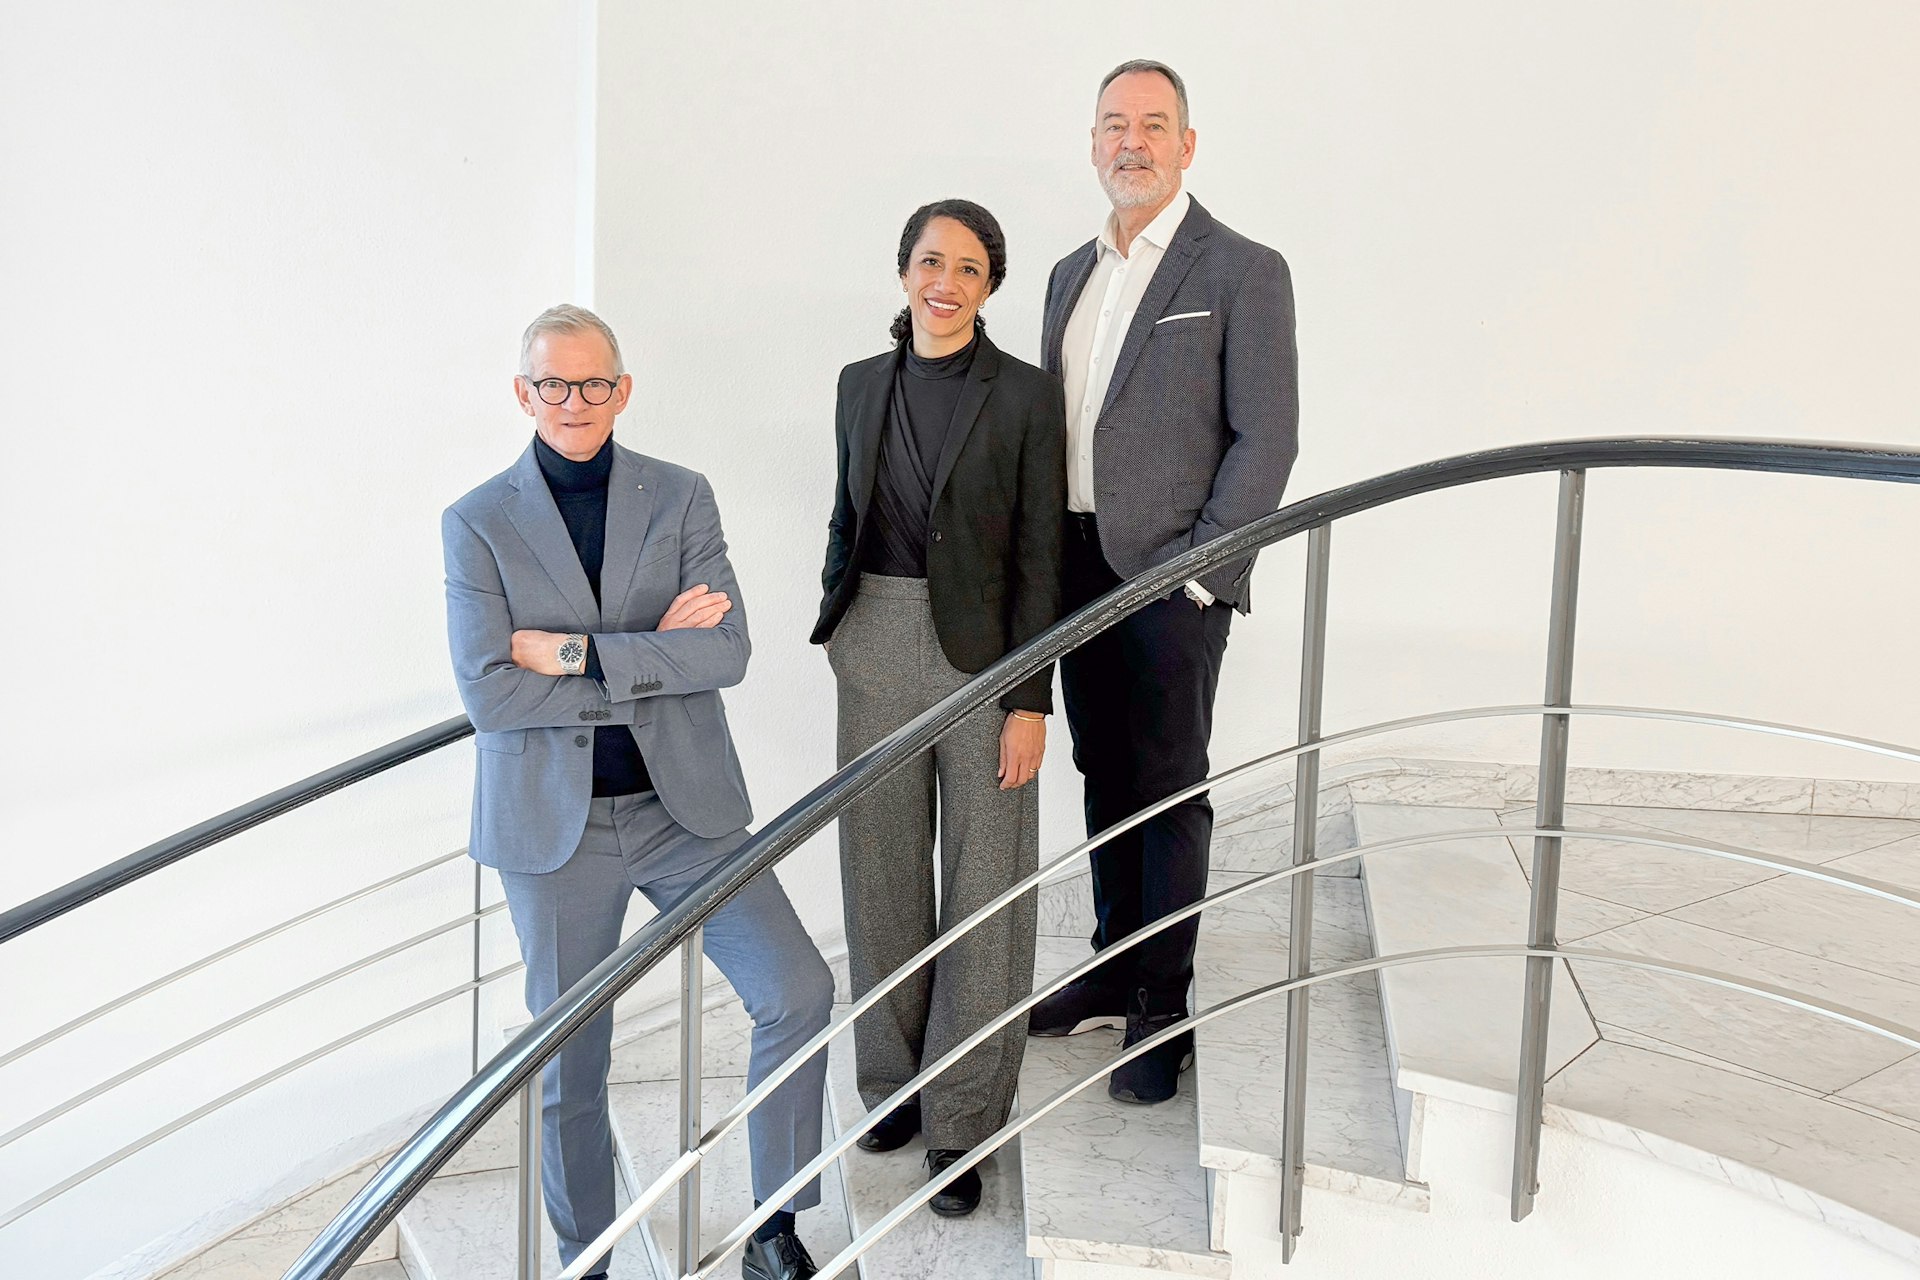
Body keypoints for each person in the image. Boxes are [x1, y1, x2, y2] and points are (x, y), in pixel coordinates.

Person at [443, 304, 830, 1280]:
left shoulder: (681, 495)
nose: (574, 401)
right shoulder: (476, 522)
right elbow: (491, 692)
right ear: (523, 393)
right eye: (554, 384)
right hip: (554, 830)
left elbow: (726, 651)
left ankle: (775, 1225)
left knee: (798, 988)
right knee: (570, 1063)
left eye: (593, 383)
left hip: (684, 809)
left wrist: (575, 652)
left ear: (623, 390)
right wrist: (656, 650)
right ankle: (589, 1258)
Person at [1025, 60, 1300, 1105]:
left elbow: (1267, 436)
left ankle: (1161, 1004)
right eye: (1113, 124)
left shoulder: (1241, 269)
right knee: (1102, 768)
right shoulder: (1069, 273)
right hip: (1075, 569)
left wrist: (1204, 573)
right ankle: (1111, 962)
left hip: (1171, 572)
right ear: (1092, 143)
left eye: (1151, 124)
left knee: (1169, 781)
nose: (1130, 142)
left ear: (1187, 144)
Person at [812, 200, 1067, 1216]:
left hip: (988, 658)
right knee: (878, 873)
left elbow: (1044, 552)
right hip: (874, 641)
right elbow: (845, 513)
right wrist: (840, 625)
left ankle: (962, 1118)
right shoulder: (856, 383)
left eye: (967, 266)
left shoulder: (1027, 396)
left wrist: (1030, 699)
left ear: (990, 284)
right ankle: (891, 1087)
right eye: (930, 261)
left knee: (984, 887)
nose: (945, 282)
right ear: (904, 272)